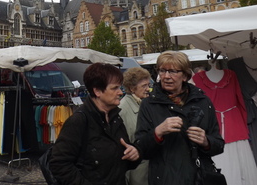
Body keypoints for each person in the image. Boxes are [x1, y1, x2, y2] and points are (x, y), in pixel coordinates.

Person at [135, 51, 224, 185]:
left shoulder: (203, 101)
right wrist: (158, 132)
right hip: (166, 179)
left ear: (185, 76)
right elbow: (141, 148)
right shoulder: (149, 104)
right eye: (162, 71)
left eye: (173, 71)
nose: (166, 76)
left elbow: (219, 145)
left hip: (199, 178)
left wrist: (206, 141)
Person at [49, 63, 140, 185]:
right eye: (115, 88)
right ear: (97, 91)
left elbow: (122, 158)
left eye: (120, 87)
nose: (120, 92)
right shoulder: (79, 121)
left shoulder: (115, 117)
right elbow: (59, 164)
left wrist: (134, 153)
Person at [119, 67, 151, 185]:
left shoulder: (144, 104)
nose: (148, 89)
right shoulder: (123, 109)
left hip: (148, 168)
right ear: (132, 88)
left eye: (148, 85)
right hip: (137, 171)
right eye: (144, 86)